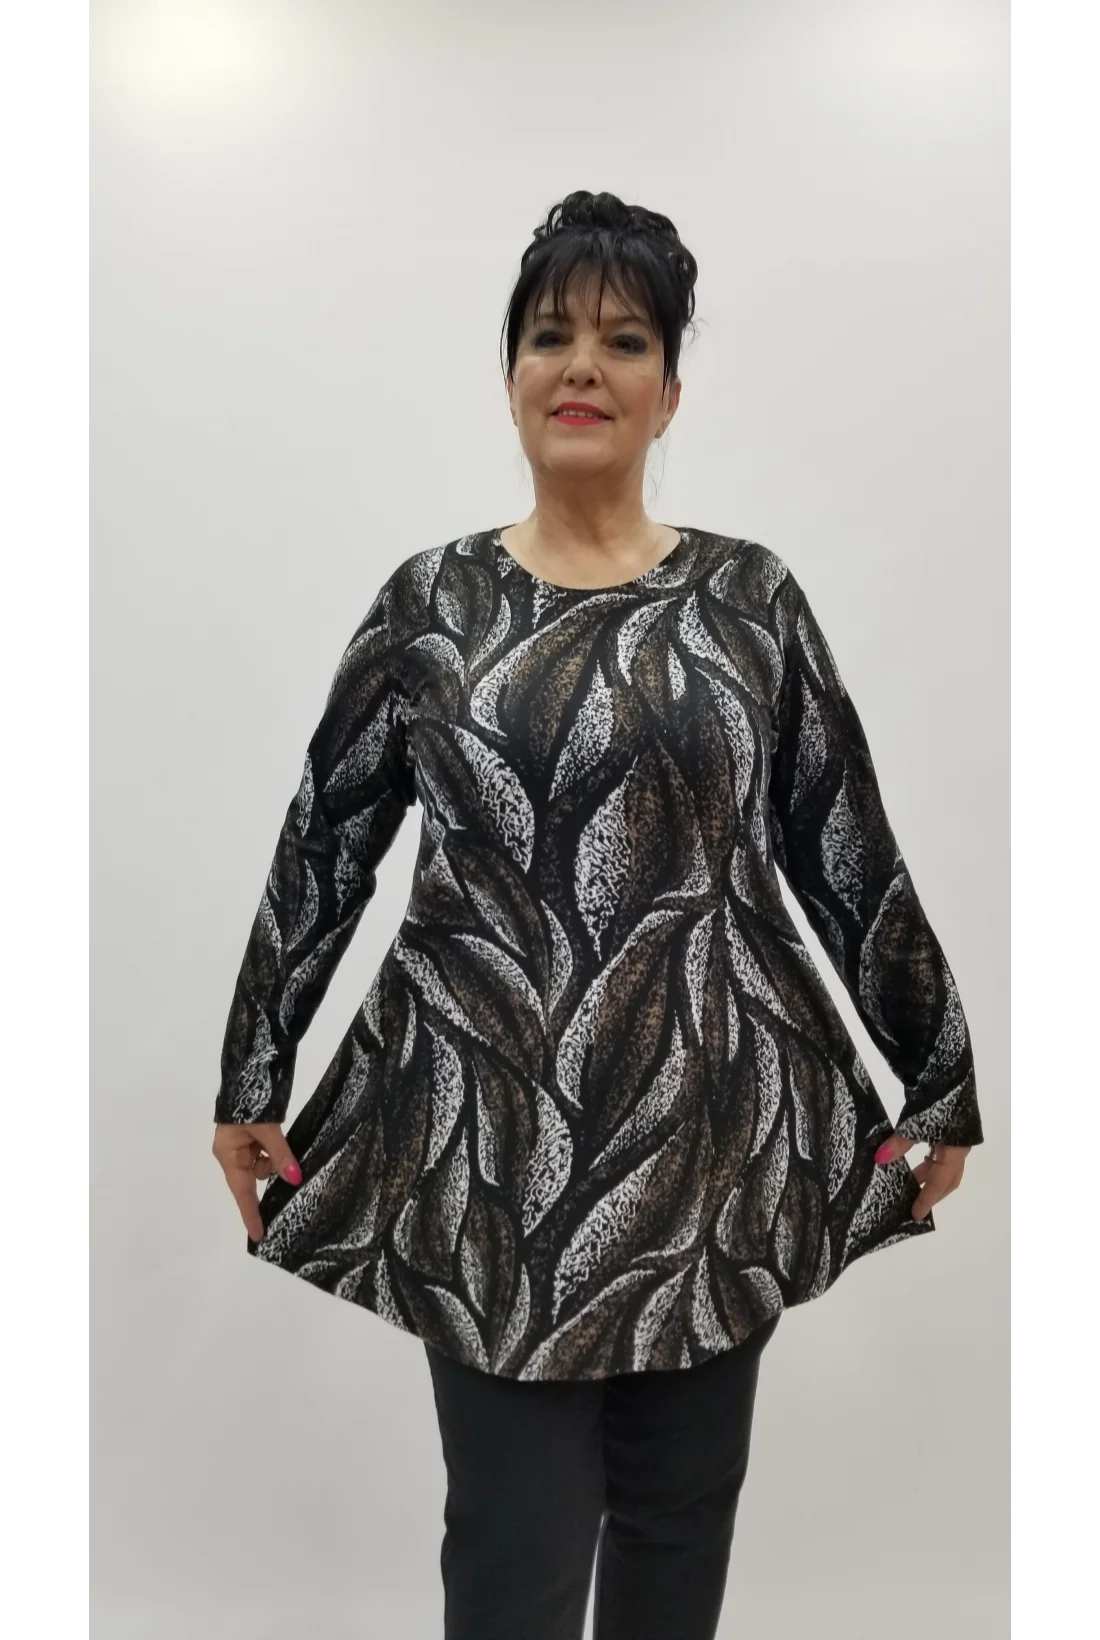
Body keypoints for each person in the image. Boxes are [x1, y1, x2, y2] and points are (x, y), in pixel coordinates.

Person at [211, 189, 984, 1640]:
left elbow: (841, 845)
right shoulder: (431, 604)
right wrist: (255, 1069)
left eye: (625, 340)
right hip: (484, 1146)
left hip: (714, 1136)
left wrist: (937, 1073)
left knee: (681, 1518)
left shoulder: (749, 599)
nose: (583, 365)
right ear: (508, 377)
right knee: (515, 1541)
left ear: (669, 390)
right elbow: (326, 846)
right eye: (550, 336)